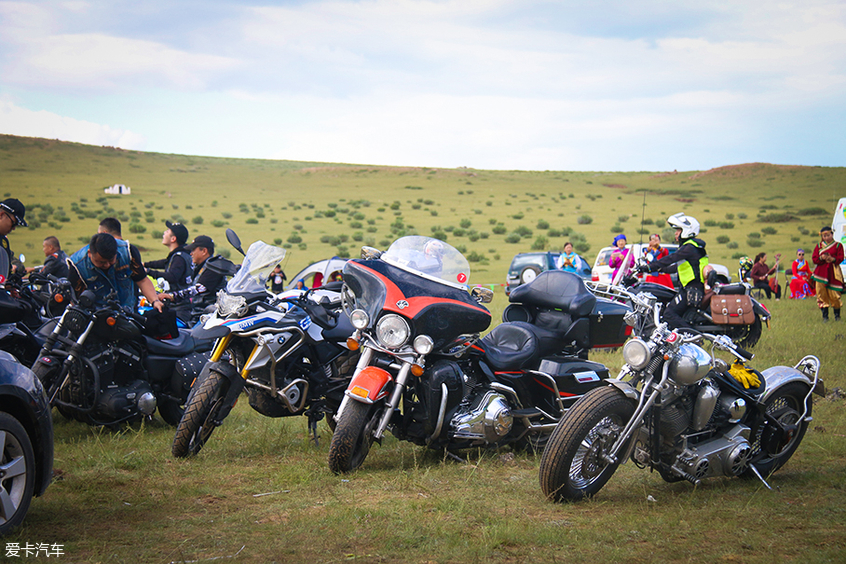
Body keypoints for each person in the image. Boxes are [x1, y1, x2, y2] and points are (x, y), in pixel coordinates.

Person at [639, 213, 708, 330]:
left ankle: (694, 337)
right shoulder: (692, 247)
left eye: (678, 230)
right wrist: (660, 269)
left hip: (692, 289)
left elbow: (671, 258)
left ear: (687, 230)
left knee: (669, 314)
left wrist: (649, 267)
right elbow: (677, 267)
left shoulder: (689, 248)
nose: (676, 233)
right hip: (690, 288)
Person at [68, 233, 163, 312]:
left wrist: (155, 301)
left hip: (128, 313)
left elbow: (142, 280)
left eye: (111, 260)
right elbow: (77, 301)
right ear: (90, 254)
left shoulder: (128, 252)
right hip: (96, 318)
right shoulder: (76, 266)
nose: (107, 265)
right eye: (101, 262)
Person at [157, 236, 225, 318]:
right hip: (197, 313)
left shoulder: (214, 268)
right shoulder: (202, 267)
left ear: (204, 251)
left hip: (206, 316)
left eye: (193, 250)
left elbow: (198, 289)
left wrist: (172, 296)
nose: (191, 253)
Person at [144, 221, 192, 292]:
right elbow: (166, 262)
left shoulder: (179, 258)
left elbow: (172, 277)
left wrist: (148, 271)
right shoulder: (182, 254)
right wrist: (145, 264)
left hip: (177, 299)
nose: (164, 233)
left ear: (173, 239)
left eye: (167, 231)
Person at [811, 226, 844, 321]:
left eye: (828, 235)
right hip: (820, 273)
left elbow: (841, 257)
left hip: (833, 272)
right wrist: (821, 258)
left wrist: (832, 259)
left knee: (835, 295)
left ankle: (837, 316)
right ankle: (825, 316)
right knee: (822, 294)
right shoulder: (818, 246)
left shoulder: (838, 245)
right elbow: (814, 259)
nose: (826, 238)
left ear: (832, 234)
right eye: (824, 236)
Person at [0, 198, 27, 284]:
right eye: (13, 223)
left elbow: (6, 271)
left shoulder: (3, 241)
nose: (14, 228)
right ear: (1, 215)